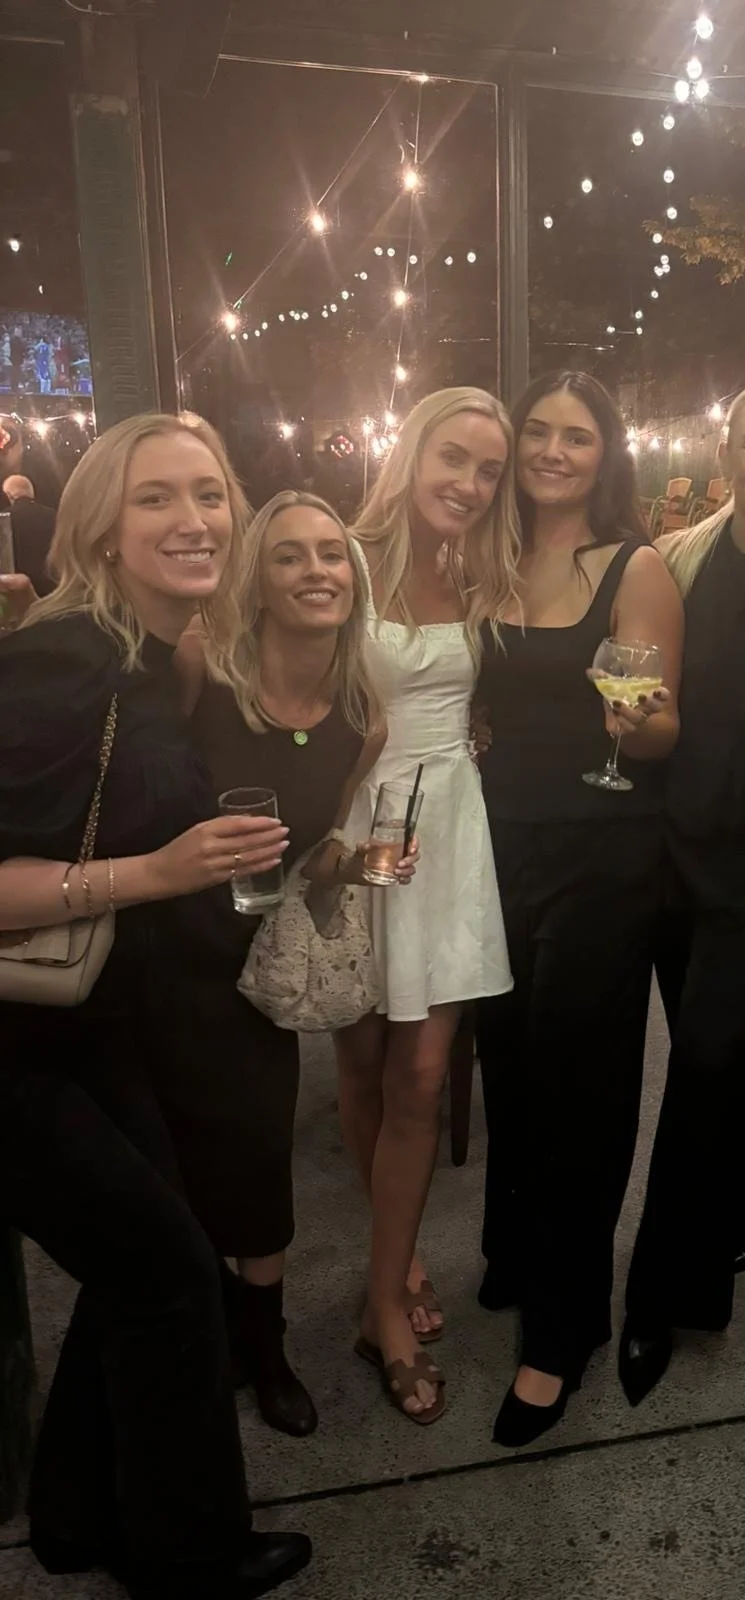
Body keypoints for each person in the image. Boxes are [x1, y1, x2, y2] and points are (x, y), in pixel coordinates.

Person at [0, 413, 311, 1597]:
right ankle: (191, 1559)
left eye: (210, 494)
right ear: (98, 526)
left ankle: (77, 1513)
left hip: (88, 1025)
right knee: (176, 1274)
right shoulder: (65, 655)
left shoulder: (146, 651)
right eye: (156, 500)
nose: (193, 520)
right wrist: (158, 873)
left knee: (142, 1261)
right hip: (16, 1049)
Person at [154, 489, 408, 1439]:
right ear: (255, 581)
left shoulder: (359, 717)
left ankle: (263, 1351)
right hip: (162, 953)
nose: (317, 572)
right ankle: (194, 1335)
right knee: (174, 1166)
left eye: (333, 555)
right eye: (292, 556)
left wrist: (368, 863)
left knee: (261, 1157)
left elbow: (315, 856)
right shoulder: (200, 672)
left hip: (254, 962)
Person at [475, 370, 683, 1447]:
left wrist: (631, 712)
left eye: (578, 436)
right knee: (505, 1062)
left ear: (609, 455)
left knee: (581, 1086)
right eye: (539, 432)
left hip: (604, 847)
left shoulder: (634, 565)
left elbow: (661, 731)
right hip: (493, 845)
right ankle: (519, 1254)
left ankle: (566, 1329)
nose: (554, 450)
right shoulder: (487, 554)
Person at [618, 374, 745, 1405]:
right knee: (719, 1042)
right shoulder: (685, 559)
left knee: (697, 1054)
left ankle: (667, 1289)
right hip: (669, 845)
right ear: (727, 451)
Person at [335, 388, 520, 1426]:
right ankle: (388, 1275)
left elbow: (476, 687)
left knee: (423, 1067)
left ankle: (385, 1293)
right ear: (410, 450)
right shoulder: (346, 556)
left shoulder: (477, 571)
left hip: (450, 824)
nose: (470, 482)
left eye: (487, 470)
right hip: (361, 823)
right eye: (455, 457)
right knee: (362, 1061)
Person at [3, 472, 56, 595]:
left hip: (16, 590)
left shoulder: (4, 518)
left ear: (9, 495)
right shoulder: (53, 515)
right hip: (51, 586)